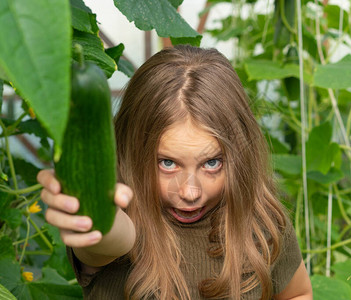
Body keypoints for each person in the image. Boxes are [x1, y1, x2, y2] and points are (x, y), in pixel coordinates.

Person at [37, 45, 313, 300]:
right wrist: (96, 214)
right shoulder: (125, 220)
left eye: (211, 163)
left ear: (239, 155)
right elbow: (110, 239)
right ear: (131, 152)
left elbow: (297, 293)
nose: (190, 192)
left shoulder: (262, 222)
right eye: (167, 163)